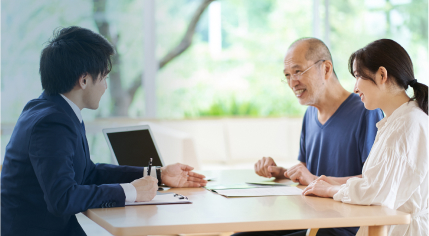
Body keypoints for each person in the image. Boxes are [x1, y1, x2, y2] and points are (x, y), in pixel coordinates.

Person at [0, 26, 207, 236]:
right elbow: (62, 199)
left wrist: (158, 174)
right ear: (84, 80)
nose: (106, 86)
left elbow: (88, 173)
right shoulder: (52, 122)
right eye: (104, 77)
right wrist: (131, 191)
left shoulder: (55, 110)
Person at [243, 38, 384, 236]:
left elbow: (374, 181)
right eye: (287, 75)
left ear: (326, 69)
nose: (292, 82)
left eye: (298, 71)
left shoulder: (366, 111)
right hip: (310, 218)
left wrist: (315, 180)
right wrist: (281, 172)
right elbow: (307, 175)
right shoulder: (309, 114)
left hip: (344, 227)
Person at [303, 39, 428, 236]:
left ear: (381, 74)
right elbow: (378, 183)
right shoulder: (397, 121)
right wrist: (335, 183)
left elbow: (376, 193)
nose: (355, 87)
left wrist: (330, 190)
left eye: (358, 76)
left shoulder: (408, 123)